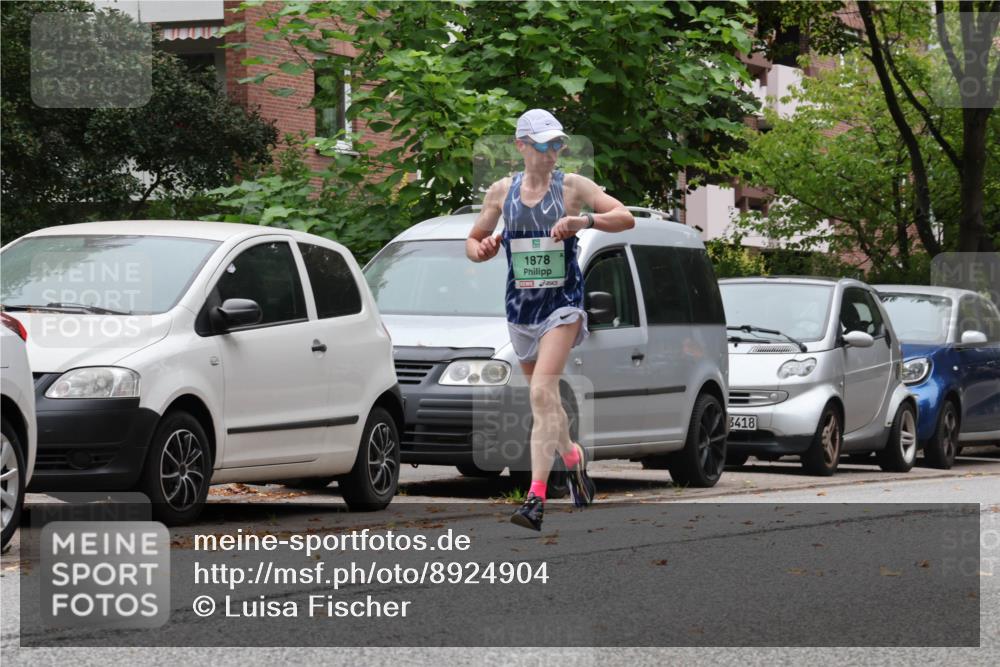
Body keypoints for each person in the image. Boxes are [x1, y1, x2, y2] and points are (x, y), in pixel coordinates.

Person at [466, 108, 635, 531]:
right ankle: (574, 458)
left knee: (542, 390)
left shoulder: (574, 186)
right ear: (522, 146)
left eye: (558, 144)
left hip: (563, 305)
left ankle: (535, 499)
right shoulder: (501, 192)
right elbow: (472, 241)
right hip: (520, 309)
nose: (553, 153)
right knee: (547, 402)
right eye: (544, 145)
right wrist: (481, 249)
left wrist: (585, 220)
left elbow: (625, 217)